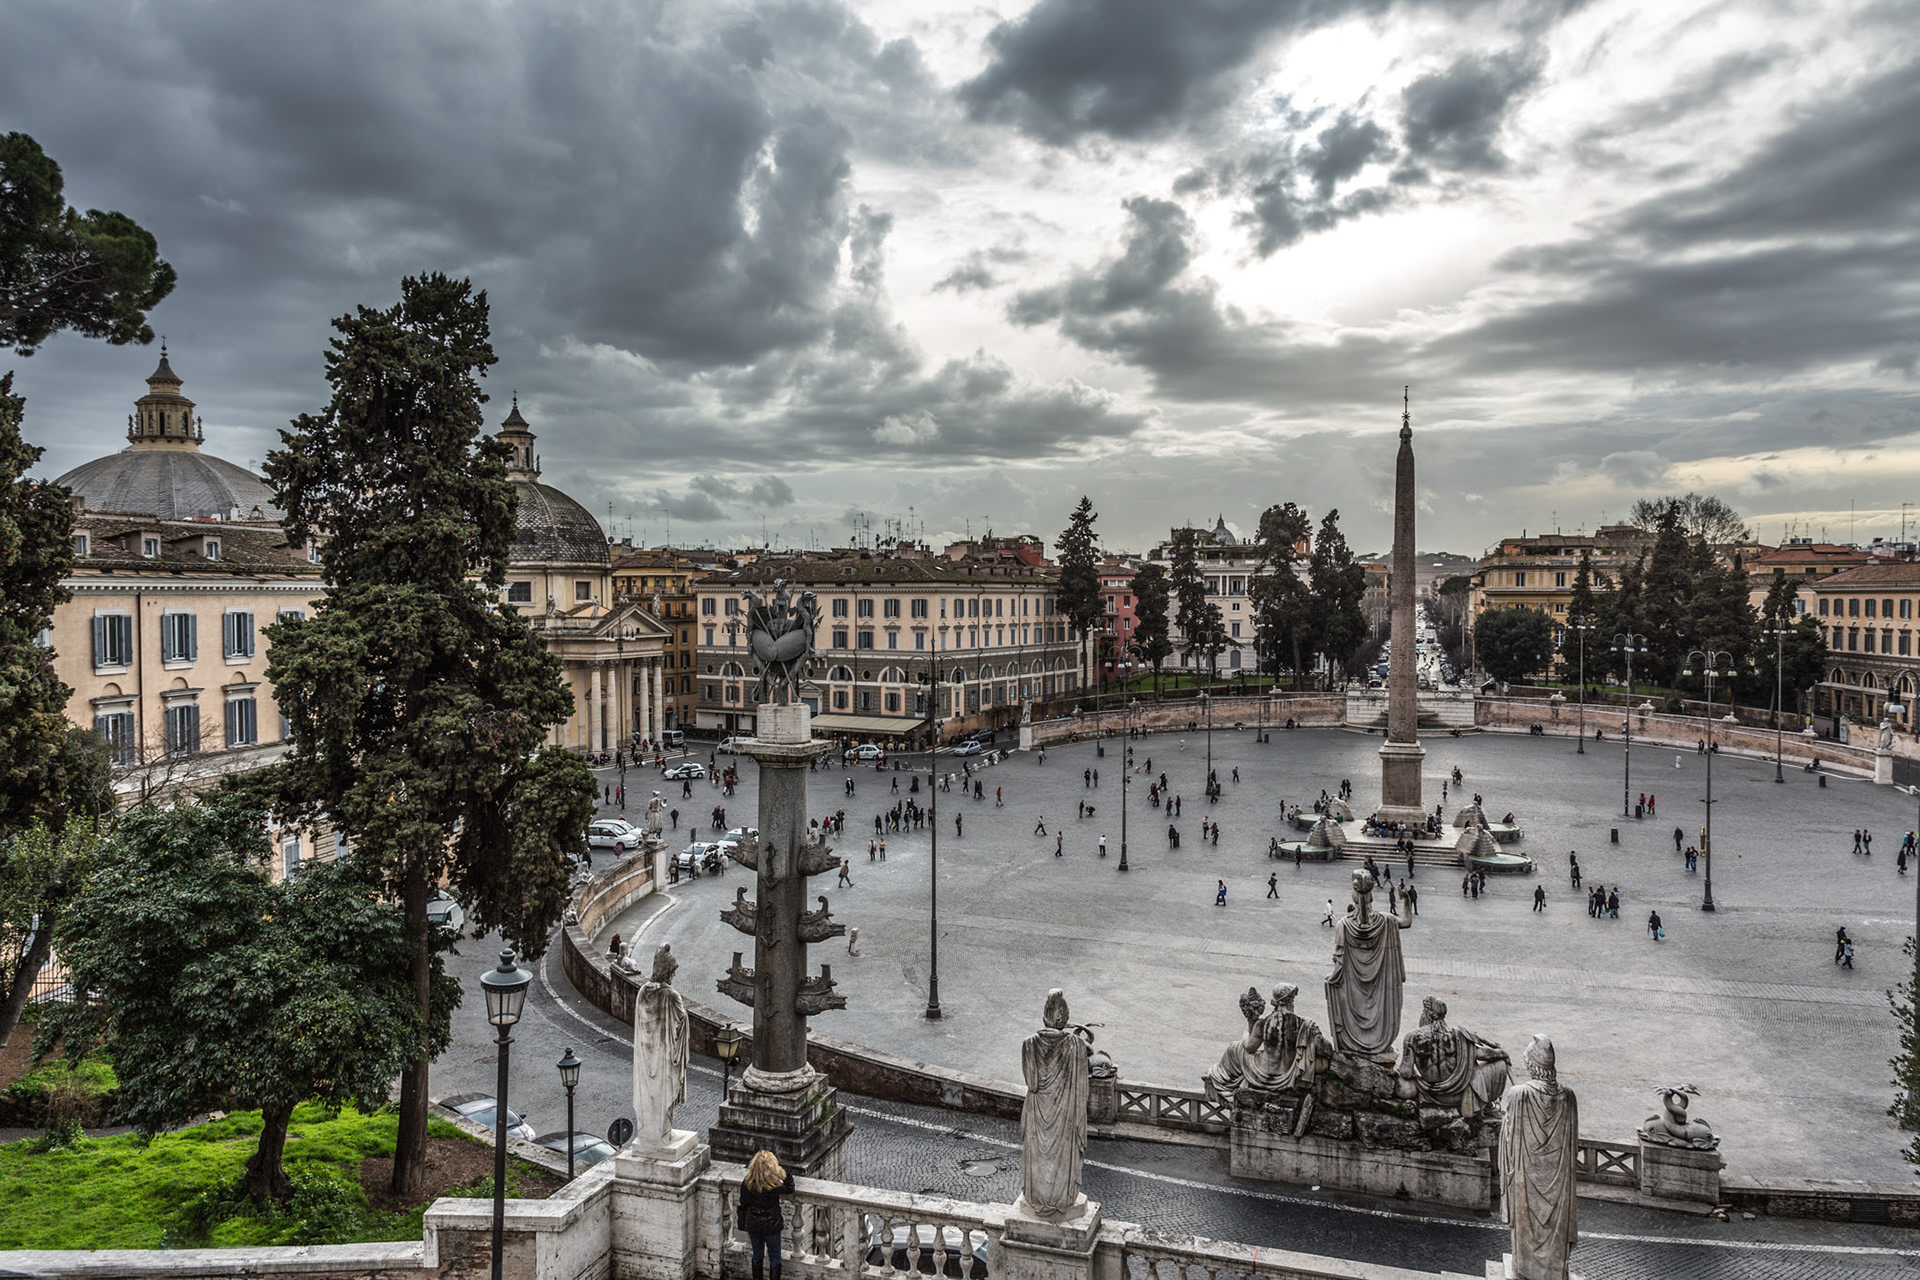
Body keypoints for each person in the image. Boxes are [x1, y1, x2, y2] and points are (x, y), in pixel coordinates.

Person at [739, 1150, 795, 1280]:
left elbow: (743, 1203)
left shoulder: (747, 1183)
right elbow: (790, 1188)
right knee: (775, 1258)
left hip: (754, 1225)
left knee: (757, 1256)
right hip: (772, 1226)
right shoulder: (773, 1184)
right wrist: (783, 1171)